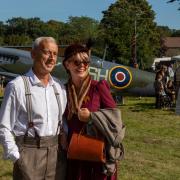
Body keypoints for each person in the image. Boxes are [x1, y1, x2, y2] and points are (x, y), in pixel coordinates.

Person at [0, 37, 67, 180]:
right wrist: (17, 157)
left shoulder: (59, 87)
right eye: (47, 52)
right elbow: (4, 126)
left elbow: (62, 120)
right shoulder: (17, 86)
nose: (52, 58)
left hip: (57, 156)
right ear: (33, 54)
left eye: (55, 54)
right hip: (29, 154)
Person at [63, 43, 122, 180]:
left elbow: (115, 120)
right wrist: (61, 133)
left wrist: (92, 116)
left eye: (85, 62)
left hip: (96, 152)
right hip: (73, 153)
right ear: (67, 65)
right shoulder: (62, 90)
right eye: (76, 62)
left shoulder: (98, 87)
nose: (82, 65)